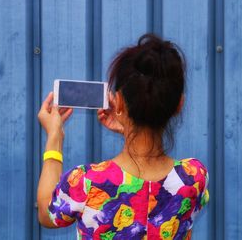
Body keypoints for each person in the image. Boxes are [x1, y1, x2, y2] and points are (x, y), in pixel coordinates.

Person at [37, 34, 209, 239]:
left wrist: (54, 136)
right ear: (179, 105)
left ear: (118, 102)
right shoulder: (194, 177)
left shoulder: (87, 182)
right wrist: (128, 127)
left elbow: (47, 213)